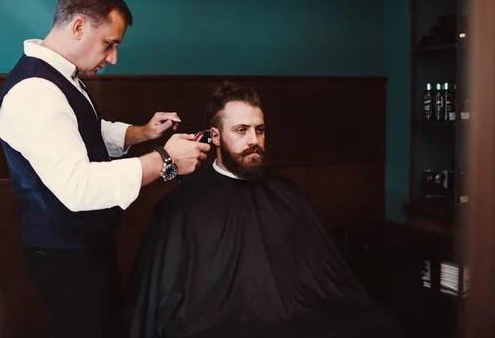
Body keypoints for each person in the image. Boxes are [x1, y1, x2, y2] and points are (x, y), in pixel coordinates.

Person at [0, 0, 210, 338]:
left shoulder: (62, 77)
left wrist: (142, 133)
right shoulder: (35, 92)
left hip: (83, 246)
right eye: (110, 44)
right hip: (65, 254)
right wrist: (166, 160)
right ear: (79, 26)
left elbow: (83, 131)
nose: (113, 58)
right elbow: (78, 187)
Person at [121, 82, 403, 338]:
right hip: (220, 322)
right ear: (216, 137)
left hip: (298, 313)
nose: (253, 140)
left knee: (378, 322)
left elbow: (324, 274)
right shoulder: (183, 204)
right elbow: (163, 293)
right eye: (241, 131)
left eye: (259, 130)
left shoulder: (288, 194)